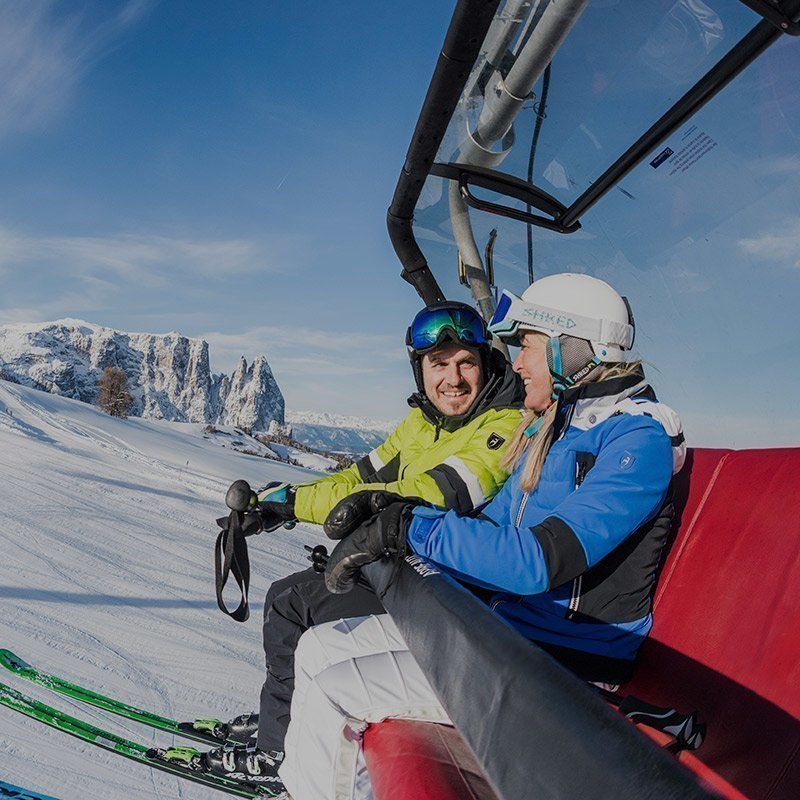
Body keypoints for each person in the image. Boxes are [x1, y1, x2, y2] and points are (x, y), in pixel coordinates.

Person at [277, 273, 686, 800]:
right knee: (315, 646)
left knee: (338, 693)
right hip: (503, 633)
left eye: (528, 345)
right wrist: (399, 509)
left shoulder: (636, 442)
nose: (515, 363)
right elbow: (494, 526)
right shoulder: (555, 427)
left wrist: (408, 526)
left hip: (561, 664)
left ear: (574, 348)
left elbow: (537, 561)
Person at [200, 301, 525, 789]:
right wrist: (282, 504)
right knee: (292, 600)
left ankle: (276, 751)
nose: (453, 379)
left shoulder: (504, 424)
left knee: (293, 604)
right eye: (439, 365)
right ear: (420, 370)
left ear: (485, 364)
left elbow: (450, 488)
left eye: (465, 363)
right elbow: (358, 477)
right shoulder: (424, 423)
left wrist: (375, 502)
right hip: (402, 569)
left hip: (447, 589)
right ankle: (284, 722)